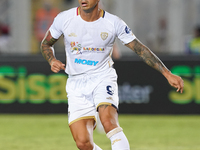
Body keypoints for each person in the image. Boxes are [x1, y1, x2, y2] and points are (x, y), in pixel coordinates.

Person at [41, 0, 184, 149]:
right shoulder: (64, 18)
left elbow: (140, 49)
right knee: (83, 143)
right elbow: (46, 44)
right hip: (76, 83)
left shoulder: (113, 23)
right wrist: (51, 60)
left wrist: (167, 73)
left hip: (102, 78)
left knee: (109, 122)